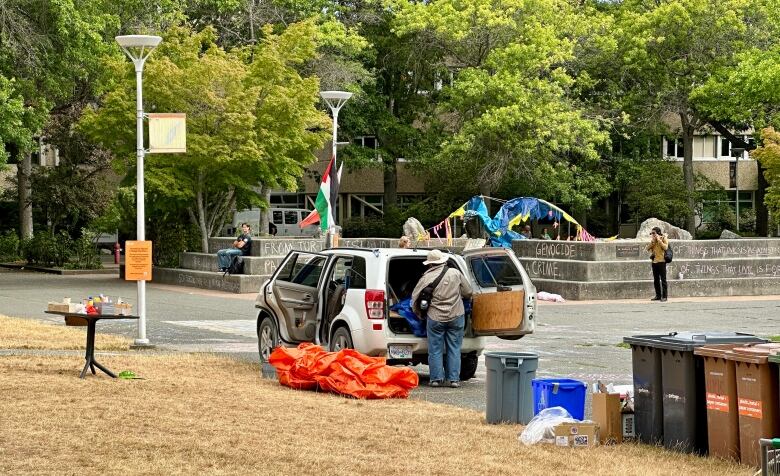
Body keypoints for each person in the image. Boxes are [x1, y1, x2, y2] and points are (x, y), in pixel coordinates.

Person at [411, 249, 473, 388]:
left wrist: (419, 314)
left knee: (435, 349)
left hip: (435, 317)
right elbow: (468, 292)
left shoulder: (426, 278)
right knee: (454, 348)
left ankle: (436, 379)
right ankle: (454, 380)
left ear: (430, 264)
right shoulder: (455, 273)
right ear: (443, 261)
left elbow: (414, 298)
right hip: (456, 316)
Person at [646, 226, 669, 302]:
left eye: (654, 233)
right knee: (656, 280)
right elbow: (647, 248)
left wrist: (659, 240)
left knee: (663, 280)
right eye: (651, 233)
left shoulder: (663, 238)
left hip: (662, 262)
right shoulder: (653, 240)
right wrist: (653, 241)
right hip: (654, 262)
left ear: (658, 233)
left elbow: (665, 248)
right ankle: (658, 296)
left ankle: (664, 296)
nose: (652, 234)